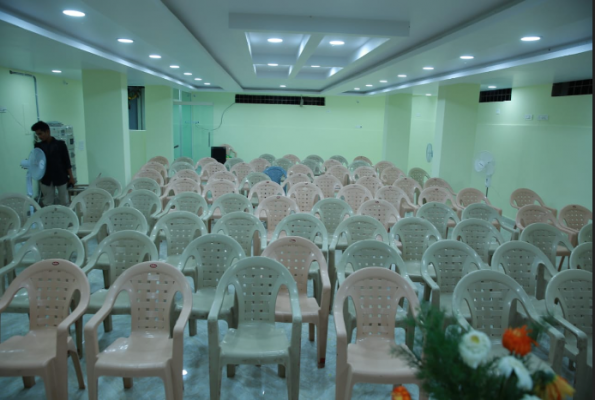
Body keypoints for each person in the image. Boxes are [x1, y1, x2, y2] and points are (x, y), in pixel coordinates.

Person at [31, 121, 75, 206]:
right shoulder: (38, 146)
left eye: (40, 134)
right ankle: (49, 219)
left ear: (47, 131)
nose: (39, 136)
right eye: (37, 135)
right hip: (45, 178)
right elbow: (37, 163)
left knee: (65, 201)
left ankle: (66, 219)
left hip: (61, 176)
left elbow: (67, 162)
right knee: (47, 202)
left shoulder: (60, 144)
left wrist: (71, 177)